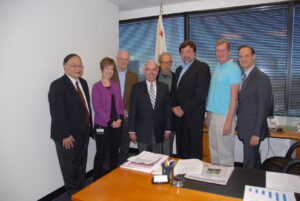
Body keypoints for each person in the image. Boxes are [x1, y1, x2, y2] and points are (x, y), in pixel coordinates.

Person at [48, 53, 93, 197]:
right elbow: (56, 112)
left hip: (83, 133)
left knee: (81, 167)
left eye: (80, 65)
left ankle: (81, 193)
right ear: (65, 67)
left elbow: (85, 107)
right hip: (67, 136)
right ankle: (74, 195)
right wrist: (65, 135)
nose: (78, 68)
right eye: (74, 65)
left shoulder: (83, 83)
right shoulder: (57, 85)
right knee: (70, 170)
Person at [171, 40, 211, 159]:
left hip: (193, 117)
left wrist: (183, 108)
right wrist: (173, 107)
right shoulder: (178, 70)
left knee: (193, 150)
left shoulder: (202, 67)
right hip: (178, 117)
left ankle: (193, 177)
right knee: (181, 149)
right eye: (182, 52)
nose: (185, 55)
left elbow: (200, 94)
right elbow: (174, 92)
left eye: (188, 51)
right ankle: (181, 175)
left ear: (194, 53)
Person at [206, 40, 241, 166]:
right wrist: (209, 114)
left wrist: (228, 121)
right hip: (214, 115)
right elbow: (213, 93)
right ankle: (216, 180)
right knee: (214, 151)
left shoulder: (233, 68)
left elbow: (234, 96)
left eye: (223, 50)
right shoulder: (218, 67)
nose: (220, 53)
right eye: (217, 50)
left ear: (229, 52)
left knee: (225, 155)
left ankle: (227, 184)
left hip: (225, 116)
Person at [237, 45, 272, 169]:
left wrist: (256, 133)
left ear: (253, 57)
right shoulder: (243, 76)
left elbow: (263, 107)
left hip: (253, 130)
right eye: (241, 56)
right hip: (245, 127)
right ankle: (254, 183)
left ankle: (248, 186)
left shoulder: (261, 78)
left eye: (247, 56)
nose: (243, 59)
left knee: (249, 163)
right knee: (253, 160)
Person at [128, 61, 172, 153]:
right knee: (143, 161)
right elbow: (132, 111)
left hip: (159, 131)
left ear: (157, 71)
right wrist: (131, 130)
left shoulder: (164, 87)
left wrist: (168, 128)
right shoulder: (136, 88)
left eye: (154, 69)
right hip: (142, 131)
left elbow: (167, 110)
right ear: (144, 71)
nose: (151, 72)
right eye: (148, 69)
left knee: (157, 160)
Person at [92, 57, 124, 180]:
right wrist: (110, 121)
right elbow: (97, 107)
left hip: (117, 124)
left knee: (114, 151)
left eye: (111, 68)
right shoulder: (96, 87)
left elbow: (120, 103)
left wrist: (120, 118)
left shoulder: (116, 85)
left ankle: (113, 177)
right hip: (102, 125)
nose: (109, 71)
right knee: (101, 152)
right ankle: (96, 178)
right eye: (107, 68)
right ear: (102, 69)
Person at [111, 50, 138, 164]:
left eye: (126, 59)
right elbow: (107, 95)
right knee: (111, 145)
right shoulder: (110, 74)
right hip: (112, 116)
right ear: (116, 59)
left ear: (129, 60)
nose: (123, 61)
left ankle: (121, 167)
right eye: (121, 58)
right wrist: (118, 110)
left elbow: (134, 97)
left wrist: (126, 111)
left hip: (127, 116)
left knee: (124, 145)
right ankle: (110, 170)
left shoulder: (133, 76)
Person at [157, 52, 175, 156]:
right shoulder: (153, 76)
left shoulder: (175, 77)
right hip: (156, 119)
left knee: (168, 149)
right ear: (159, 63)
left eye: (169, 62)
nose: (166, 65)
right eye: (164, 62)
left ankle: (168, 171)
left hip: (170, 118)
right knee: (156, 150)